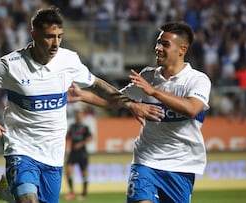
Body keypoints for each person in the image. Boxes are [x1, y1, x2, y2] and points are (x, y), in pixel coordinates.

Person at [0, 6, 164, 203]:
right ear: (34, 34)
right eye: (49, 36)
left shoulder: (69, 60)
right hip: (21, 148)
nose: (56, 43)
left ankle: (6, 192)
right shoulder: (12, 65)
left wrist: (130, 104)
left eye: (59, 36)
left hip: (54, 155)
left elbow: (97, 85)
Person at [77, 21, 211, 203]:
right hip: (146, 161)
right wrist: (81, 95)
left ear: (182, 50)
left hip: (182, 165)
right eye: (158, 42)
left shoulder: (197, 80)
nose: (158, 48)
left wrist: (153, 91)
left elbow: (192, 109)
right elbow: (116, 101)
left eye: (165, 44)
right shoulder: (149, 76)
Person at [64, 110, 93, 201]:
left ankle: (84, 193)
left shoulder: (85, 127)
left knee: (84, 173)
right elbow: (67, 136)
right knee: (68, 171)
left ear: (82, 117)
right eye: (77, 116)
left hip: (82, 153)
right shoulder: (72, 127)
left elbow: (90, 137)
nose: (78, 118)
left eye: (80, 116)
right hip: (73, 152)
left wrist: (81, 144)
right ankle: (71, 192)